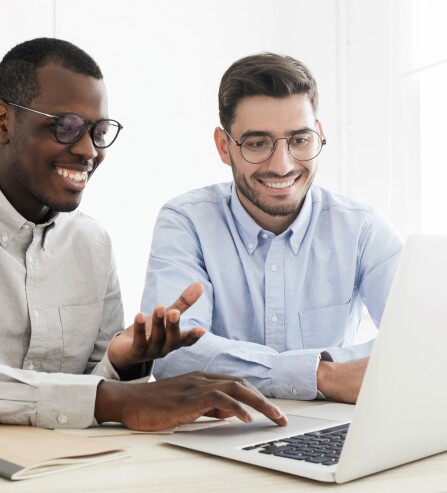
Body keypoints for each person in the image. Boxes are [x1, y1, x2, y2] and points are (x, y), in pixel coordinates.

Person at [0, 38, 286, 431]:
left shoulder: (92, 244)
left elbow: (88, 396)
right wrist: (111, 397)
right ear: (3, 123)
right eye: (65, 126)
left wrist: (122, 364)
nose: (88, 151)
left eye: (98, 132)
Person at [141, 52, 402, 404]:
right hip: (220, 433)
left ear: (320, 136)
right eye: (257, 143)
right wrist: (324, 375)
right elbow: (174, 355)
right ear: (223, 146)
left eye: (299, 140)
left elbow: (416, 346)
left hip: (334, 431)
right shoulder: (186, 222)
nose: (282, 166)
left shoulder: (364, 230)